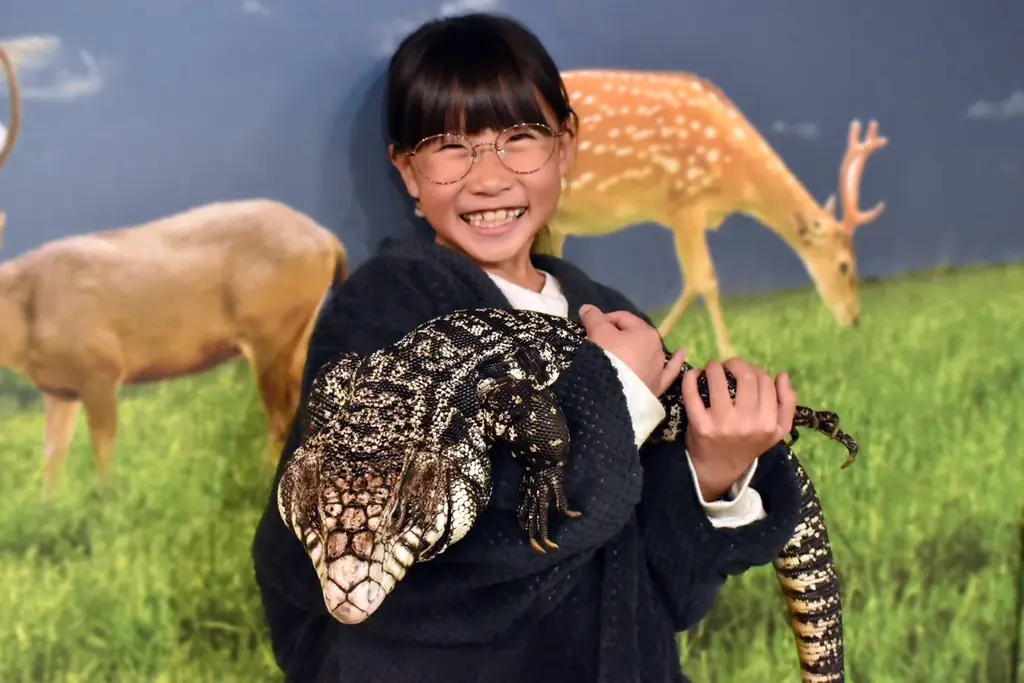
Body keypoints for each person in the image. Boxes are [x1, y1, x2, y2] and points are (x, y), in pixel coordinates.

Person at [251, 11, 803, 683]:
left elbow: (666, 599)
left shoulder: (611, 316)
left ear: (565, 147)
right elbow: (450, 566)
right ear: (407, 170)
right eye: (450, 146)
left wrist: (713, 472)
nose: (490, 177)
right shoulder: (386, 310)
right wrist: (621, 395)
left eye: (519, 138)